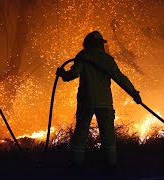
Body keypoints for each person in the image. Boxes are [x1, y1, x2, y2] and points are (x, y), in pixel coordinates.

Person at [56, 31, 142, 170]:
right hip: (105, 103)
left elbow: (72, 74)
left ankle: (76, 165)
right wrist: (134, 93)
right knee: (108, 134)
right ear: (100, 44)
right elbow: (120, 78)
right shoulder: (108, 60)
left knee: (81, 132)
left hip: (86, 101)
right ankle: (111, 165)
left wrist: (62, 74)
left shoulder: (82, 56)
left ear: (87, 43)